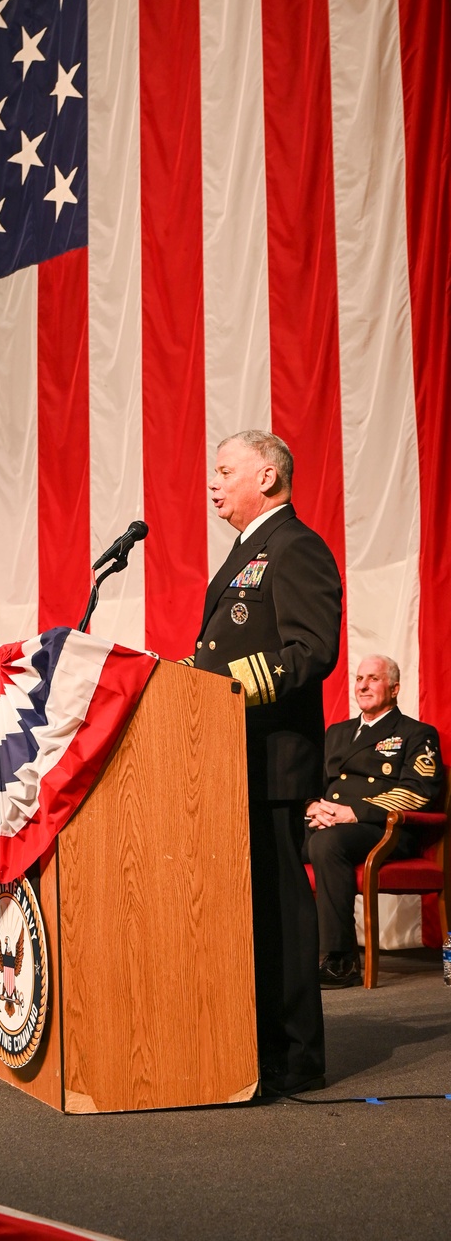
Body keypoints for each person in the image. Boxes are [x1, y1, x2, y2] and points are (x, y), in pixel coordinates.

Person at [187, 431, 342, 1096]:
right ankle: (260, 1040)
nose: (213, 483)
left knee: (280, 904)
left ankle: (299, 1051)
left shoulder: (295, 546)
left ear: (270, 477)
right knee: (249, 907)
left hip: (273, 758)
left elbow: (312, 650)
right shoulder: (249, 551)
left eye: (225, 470)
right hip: (233, 757)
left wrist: (222, 687)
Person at [306, 655, 444, 988]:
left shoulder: (416, 733)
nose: (363, 685)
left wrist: (355, 812)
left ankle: (340, 961)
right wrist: (312, 807)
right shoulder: (337, 732)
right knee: (270, 838)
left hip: (385, 830)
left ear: (395, 689)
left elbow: (418, 790)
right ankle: (277, 952)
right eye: (359, 678)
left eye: (374, 679)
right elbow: (312, 782)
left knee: (327, 844)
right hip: (331, 822)